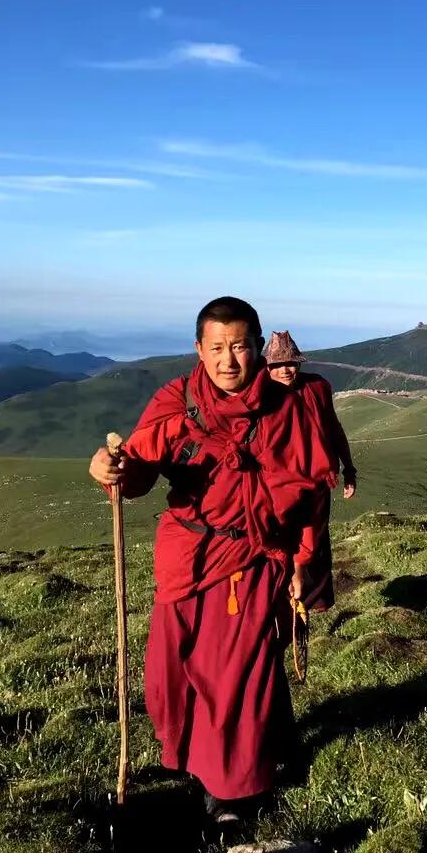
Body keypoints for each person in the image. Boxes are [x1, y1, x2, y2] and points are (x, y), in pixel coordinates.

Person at [87, 297, 319, 824]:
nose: (228, 361)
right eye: (217, 348)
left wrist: (304, 560)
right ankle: (251, 750)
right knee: (171, 674)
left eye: (239, 346)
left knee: (231, 675)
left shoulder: (287, 409)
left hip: (252, 557)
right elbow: (140, 469)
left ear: (258, 348)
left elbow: (310, 490)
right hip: (186, 554)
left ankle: (232, 795)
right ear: (199, 349)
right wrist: (111, 469)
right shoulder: (178, 400)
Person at [263, 330, 357, 612]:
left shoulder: (317, 387)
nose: (285, 370)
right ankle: (278, 599)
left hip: (316, 480)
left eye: (290, 363)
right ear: (267, 366)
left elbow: (333, 427)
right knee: (277, 542)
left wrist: (348, 467)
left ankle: (315, 602)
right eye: (277, 365)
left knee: (315, 540)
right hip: (275, 484)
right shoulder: (260, 395)